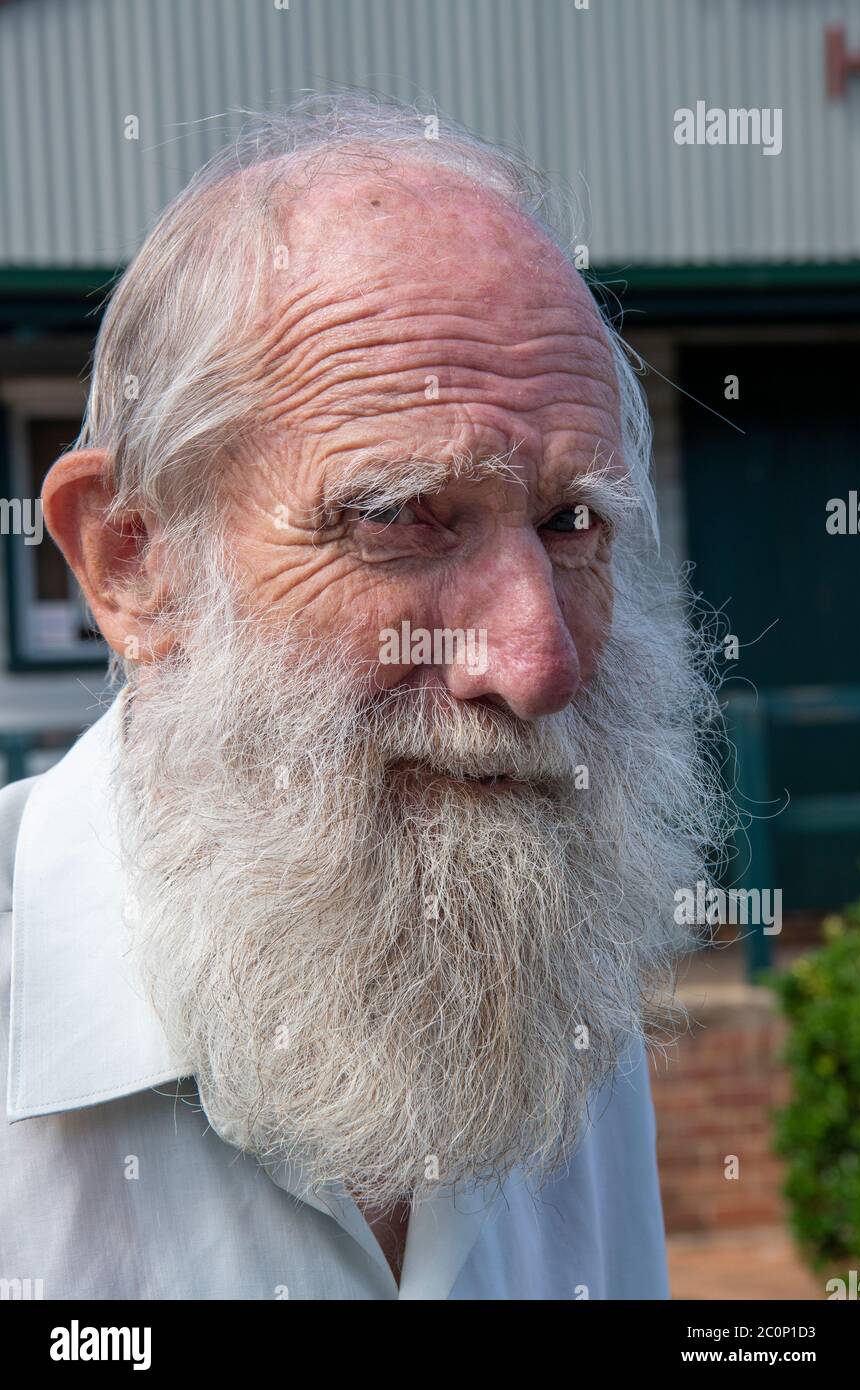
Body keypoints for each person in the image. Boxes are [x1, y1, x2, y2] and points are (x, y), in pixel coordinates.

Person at [0, 93, 723, 1300]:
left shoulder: (554, 1002)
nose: (536, 660)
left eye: (571, 521)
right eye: (397, 515)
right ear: (131, 562)